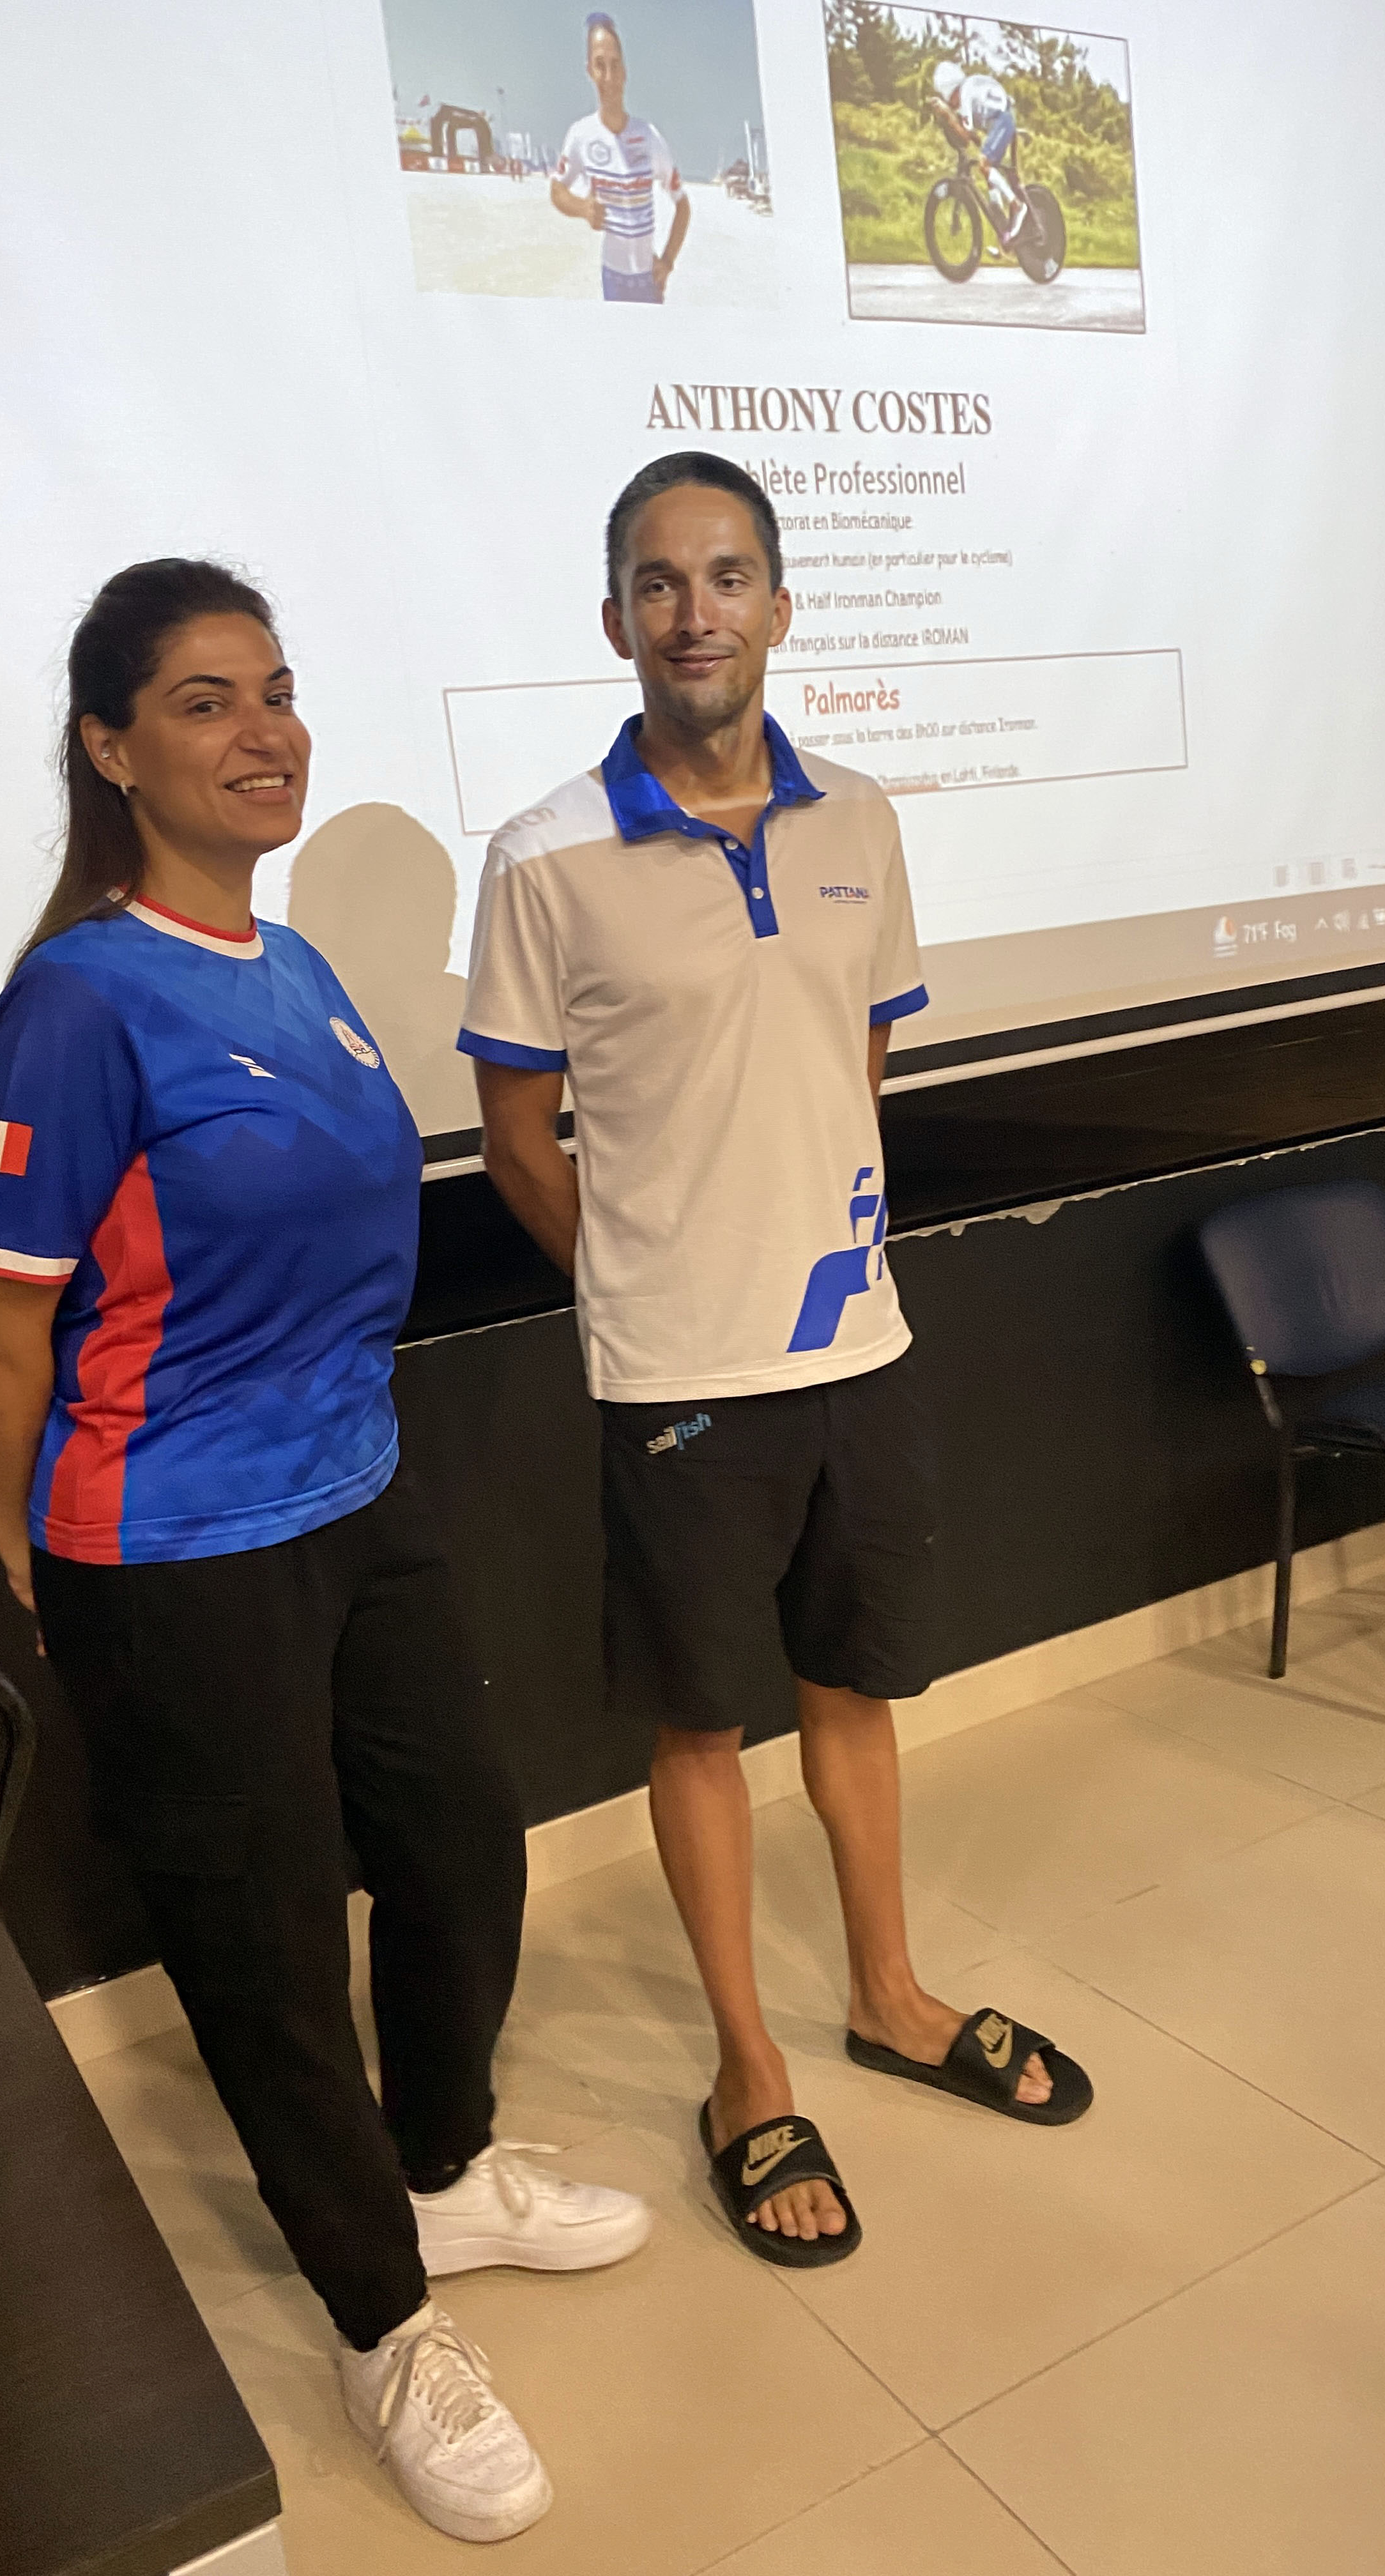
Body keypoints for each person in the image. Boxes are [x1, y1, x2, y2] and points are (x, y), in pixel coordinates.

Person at [0, 558, 650, 2543]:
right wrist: (38, 1572)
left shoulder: (297, 968)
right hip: (173, 1551)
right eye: (205, 701)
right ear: (109, 750)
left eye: (276, 690)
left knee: (462, 1848)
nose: (264, 732)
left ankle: (441, 2167)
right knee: (264, 1952)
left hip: (358, 1497)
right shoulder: (77, 1002)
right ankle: (383, 2319)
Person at [461, 456, 1092, 2270]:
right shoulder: (542, 857)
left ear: (781, 607)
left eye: (728, 576)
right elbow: (516, 1139)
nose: (697, 614)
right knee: (698, 1721)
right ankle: (748, 2071)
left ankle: (888, 1993)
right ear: (615, 622)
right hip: (678, 1376)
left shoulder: (861, 822)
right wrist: (643, 1289)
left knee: (854, 1689)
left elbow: (850, 1067)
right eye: (660, 584)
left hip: (858, 1344)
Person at [551, 11, 690, 303]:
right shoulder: (581, 134)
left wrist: (668, 261)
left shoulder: (649, 136)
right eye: (600, 65)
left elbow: (682, 205)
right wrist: (583, 208)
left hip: (648, 278)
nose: (609, 77)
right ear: (589, 70)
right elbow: (557, 190)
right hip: (613, 278)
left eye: (615, 65)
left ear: (625, 71)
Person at [933, 57, 1029, 244]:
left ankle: (1017, 206)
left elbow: (966, 138)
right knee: (987, 166)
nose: (951, 104)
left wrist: (949, 115)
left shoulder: (966, 94)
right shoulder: (969, 87)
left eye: (949, 100)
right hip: (1001, 119)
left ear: (952, 92)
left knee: (984, 163)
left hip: (1003, 119)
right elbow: (975, 138)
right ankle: (1000, 218)